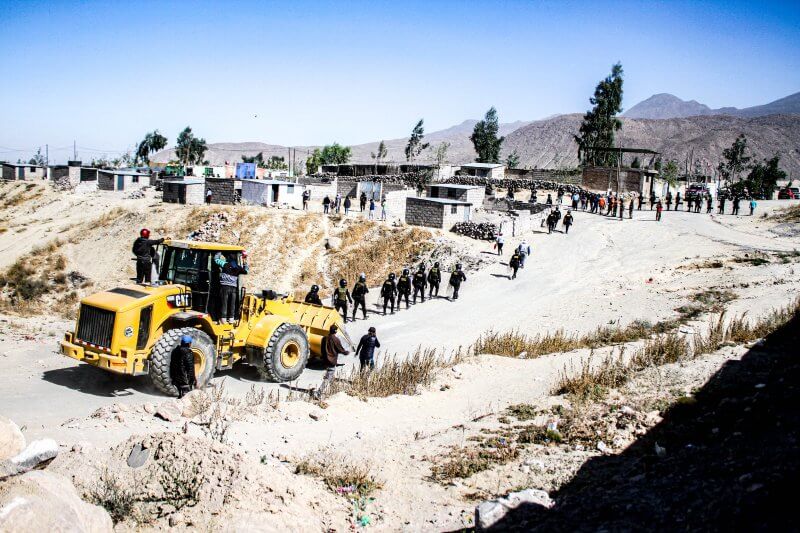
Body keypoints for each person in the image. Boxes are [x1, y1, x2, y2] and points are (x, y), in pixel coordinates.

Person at [316, 324, 349, 399]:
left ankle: (332, 390)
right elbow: (340, 349)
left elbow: (321, 349)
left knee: (330, 376)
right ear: (336, 331)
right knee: (328, 377)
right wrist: (346, 352)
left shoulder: (324, 338)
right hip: (332, 361)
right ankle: (318, 393)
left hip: (325, 360)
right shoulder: (336, 339)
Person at [217, 252, 248, 323]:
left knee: (224, 303)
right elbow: (246, 271)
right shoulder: (238, 267)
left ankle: (223, 318)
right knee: (232, 304)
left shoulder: (225, 264)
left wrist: (219, 252)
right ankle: (231, 318)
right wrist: (245, 261)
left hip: (225, 287)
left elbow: (216, 260)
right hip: (233, 288)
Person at [170, 334, 196, 398]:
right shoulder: (188, 353)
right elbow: (190, 369)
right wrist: (192, 380)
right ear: (189, 344)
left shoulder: (175, 351)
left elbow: (172, 364)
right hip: (185, 381)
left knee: (180, 396)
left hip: (176, 379)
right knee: (186, 398)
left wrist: (172, 377)